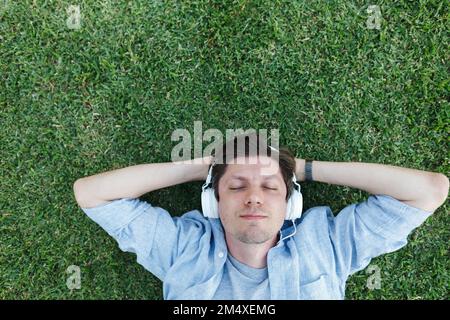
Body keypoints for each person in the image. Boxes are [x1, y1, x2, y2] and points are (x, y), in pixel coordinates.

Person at [73, 133, 449, 299]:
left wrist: (304, 169)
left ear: (291, 203)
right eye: (236, 186)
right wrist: (201, 168)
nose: (254, 197)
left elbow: (429, 189)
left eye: (270, 187)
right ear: (212, 203)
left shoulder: (328, 243)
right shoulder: (183, 247)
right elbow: (90, 193)